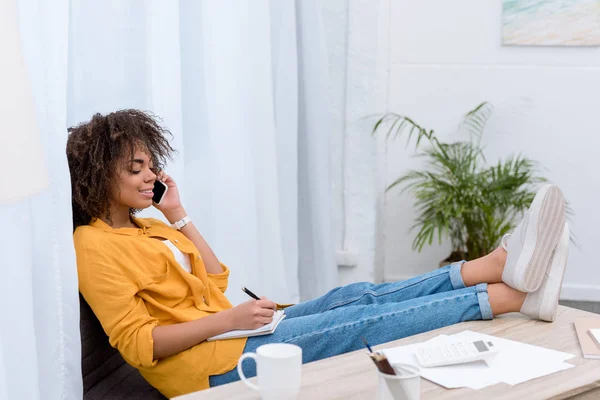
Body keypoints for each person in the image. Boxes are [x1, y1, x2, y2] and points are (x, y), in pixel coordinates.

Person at [66, 110, 569, 398]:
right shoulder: (92, 244)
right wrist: (227, 322)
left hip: (238, 329)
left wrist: (179, 216)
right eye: (136, 168)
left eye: (152, 166)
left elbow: (215, 279)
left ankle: (496, 266)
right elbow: (139, 345)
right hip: (207, 366)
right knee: (356, 324)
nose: (150, 176)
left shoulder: (151, 226)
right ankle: (507, 295)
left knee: (356, 295)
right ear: (99, 172)